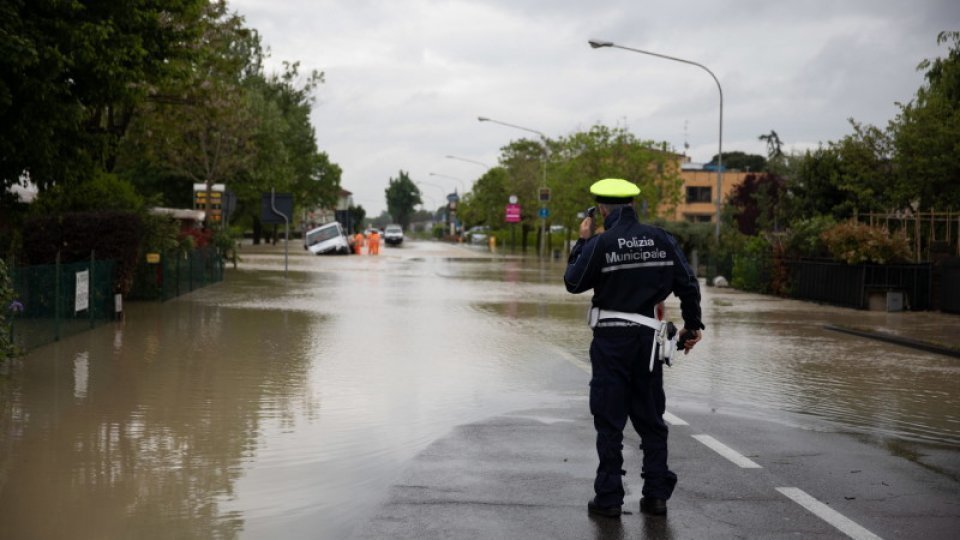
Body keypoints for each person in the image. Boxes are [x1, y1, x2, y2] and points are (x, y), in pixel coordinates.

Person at [563, 178, 704, 519]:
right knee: (651, 418)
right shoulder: (662, 239)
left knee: (609, 420)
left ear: (601, 209)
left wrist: (582, 243)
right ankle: (656, 495)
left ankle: (609, 497)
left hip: (611, 342)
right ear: (632, 205)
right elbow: (688, 284)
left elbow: (573, 282)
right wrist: (693, 326)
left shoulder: (601, 243)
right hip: (649, 343)